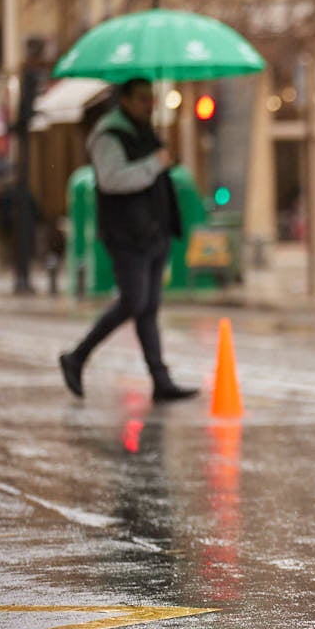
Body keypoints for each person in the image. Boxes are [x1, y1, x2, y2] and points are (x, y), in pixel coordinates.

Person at [58, 78, 198, 403]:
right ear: (125, 101)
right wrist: (154, 163)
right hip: (127, 235)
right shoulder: (108, 135)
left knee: (148, 308)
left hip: (154, 233)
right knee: (134, 302)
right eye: (142, 98)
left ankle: (160, 379)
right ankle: (77, 356)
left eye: (152, 98)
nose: (149, 104)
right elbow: (112, 180)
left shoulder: (145, 132)